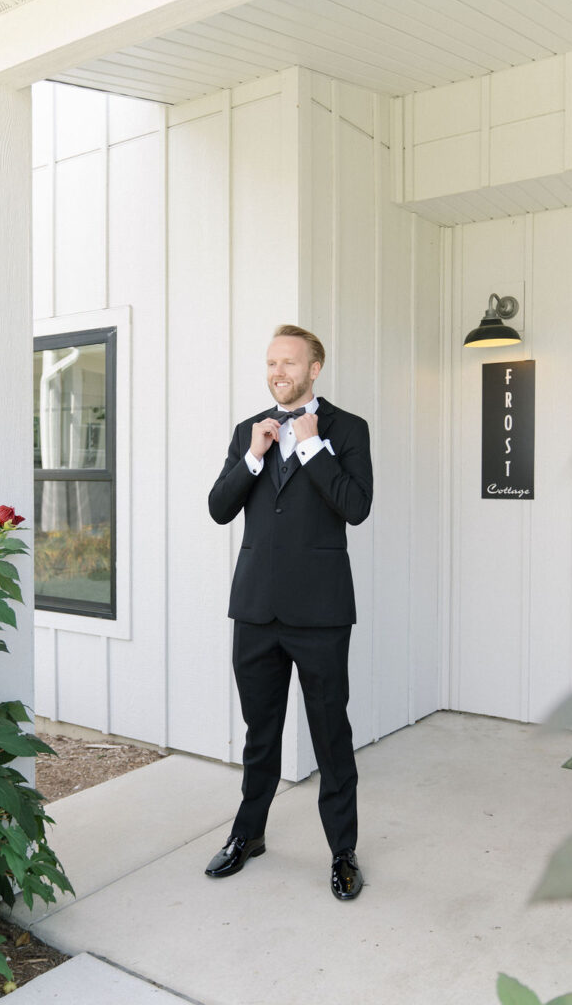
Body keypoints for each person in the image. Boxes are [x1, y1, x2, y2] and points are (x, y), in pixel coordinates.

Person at [205, 324, 373, 900]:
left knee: (331, 735)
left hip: (321, 614)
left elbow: (356, 507)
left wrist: (310, 448)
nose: (279, 371)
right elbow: (219, 509)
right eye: (272, 362)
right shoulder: (249, 432)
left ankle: (342, 853)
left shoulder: (347, 429)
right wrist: (254, 456)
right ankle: (248, 836)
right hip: (254, 610)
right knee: (260, 735)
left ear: (314, 368)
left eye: (290, 363)